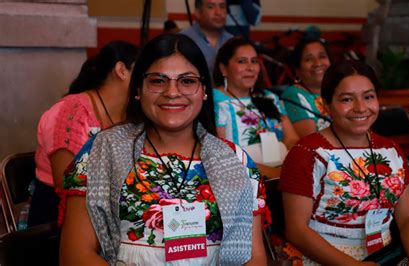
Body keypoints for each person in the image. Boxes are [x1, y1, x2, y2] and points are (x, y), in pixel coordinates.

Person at [59, 34, 267, 265]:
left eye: (187, 81)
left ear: (204, 91)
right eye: (158, 81)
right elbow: (76, 255)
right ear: (138, 89)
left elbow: (253, 257)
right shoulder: (102, 152)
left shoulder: (235, 161)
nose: (172, 92)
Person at [280, 61, 409, 265]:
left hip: (385, 255)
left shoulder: (391, 150)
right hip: (325, 258)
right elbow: (297, 230)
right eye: (347, 99)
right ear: (326, 104)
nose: (360, 108)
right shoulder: (307, 152)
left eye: (368, 97)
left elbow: (408, 219)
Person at [28, 41, 138, 227]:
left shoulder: (132, 115)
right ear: (122, 70)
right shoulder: (71, 113)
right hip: (59, 222)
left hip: (112, 215)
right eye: (144, 72)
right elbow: (68, 187)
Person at [213, 36, 299, 179]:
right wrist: (279, 174)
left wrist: (294, 166)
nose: (250, 68)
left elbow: (291, 139)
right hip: (242, 178)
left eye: (254, 61)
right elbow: (223, 155)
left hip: (284, 172)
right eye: (242, 61)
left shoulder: (268, 97)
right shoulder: (216, 101)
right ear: (223, 69)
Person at [280, 37, 332, 138]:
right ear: (297, 70)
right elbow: (312, 140)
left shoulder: (337, 90)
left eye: (322, 56)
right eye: (309, 59)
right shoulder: (294, 95)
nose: (317, 63)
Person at [181, 0, 233, 83]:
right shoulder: (183, 40)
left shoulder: (232, 42)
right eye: (211, 7)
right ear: (198, 12)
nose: (218, 12)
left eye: (222, 6)